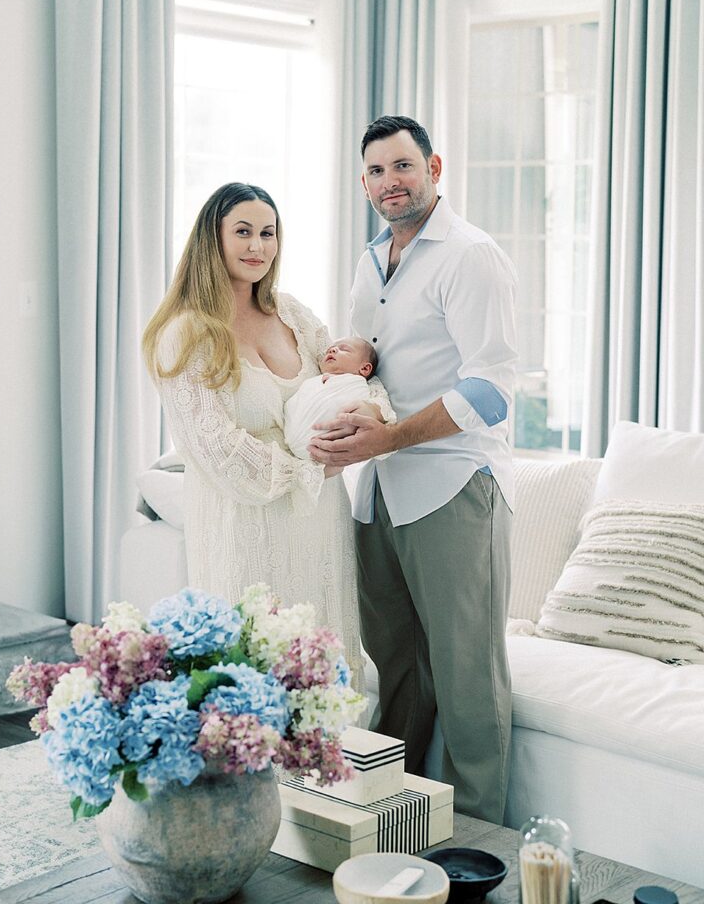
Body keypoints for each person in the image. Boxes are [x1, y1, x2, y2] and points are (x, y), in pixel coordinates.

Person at [309, 116, 518, 823]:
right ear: (362, 181)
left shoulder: (469, 255)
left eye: (402, 167)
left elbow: (491, 390)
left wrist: (389, 438)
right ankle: (390, 824)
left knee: (467, 680)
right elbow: (372, 371)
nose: (389, 182)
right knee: (394, 670)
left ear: (433, 168)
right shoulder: (371, 261)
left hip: (454, 487)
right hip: (379, 493)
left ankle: (482, 848)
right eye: (375, 171)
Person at [142, 182, 388, 687]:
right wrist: (313, 466)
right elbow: (215, 450)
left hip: (320, 520)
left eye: (268, 233)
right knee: (256, 670)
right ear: (213, 238)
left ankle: (328, 766)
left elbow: (353, 377)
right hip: (243, 524)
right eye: (243, 232)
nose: (258, 246)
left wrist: (369, 420)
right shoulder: (185, 333)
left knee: (325, 666)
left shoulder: (292, 313)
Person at [283, 337, 395, 460]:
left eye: (344, 349)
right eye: (329, 350)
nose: (332, 350)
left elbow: (383, 411)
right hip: (292, 439)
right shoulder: (314, 381)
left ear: (364, 369)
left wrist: (374, 411)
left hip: (323, 445)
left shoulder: (360, 384)